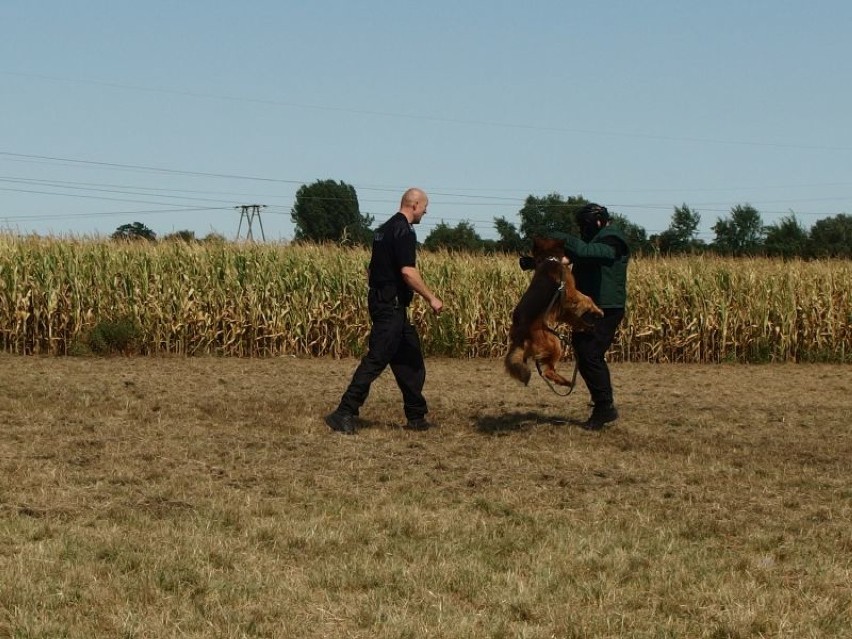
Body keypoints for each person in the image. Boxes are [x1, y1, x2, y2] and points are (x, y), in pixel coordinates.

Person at [325, 187, 444, 435]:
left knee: (410, 360)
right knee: (376, 359)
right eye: (425, 206)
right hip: (390, 307)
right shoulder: (404, 231)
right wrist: (432, 298)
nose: (426, 211)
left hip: (387, 304)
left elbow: (372, 269)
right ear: (414, 205)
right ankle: (344, 412)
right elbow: (407, 272)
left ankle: (416, 417)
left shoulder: (383, 229)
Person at [547, 203, 630, 430]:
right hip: (589, 307)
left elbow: (586, 253)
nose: (581, 230)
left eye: (583, 225)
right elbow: (571, 259)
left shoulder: (613, 239)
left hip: (606, 308)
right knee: (585, 352)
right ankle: (602, 404)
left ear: (597, 221)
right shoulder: (595, 242)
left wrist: (557, 236)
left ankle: (605, 407)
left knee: (590, 354)